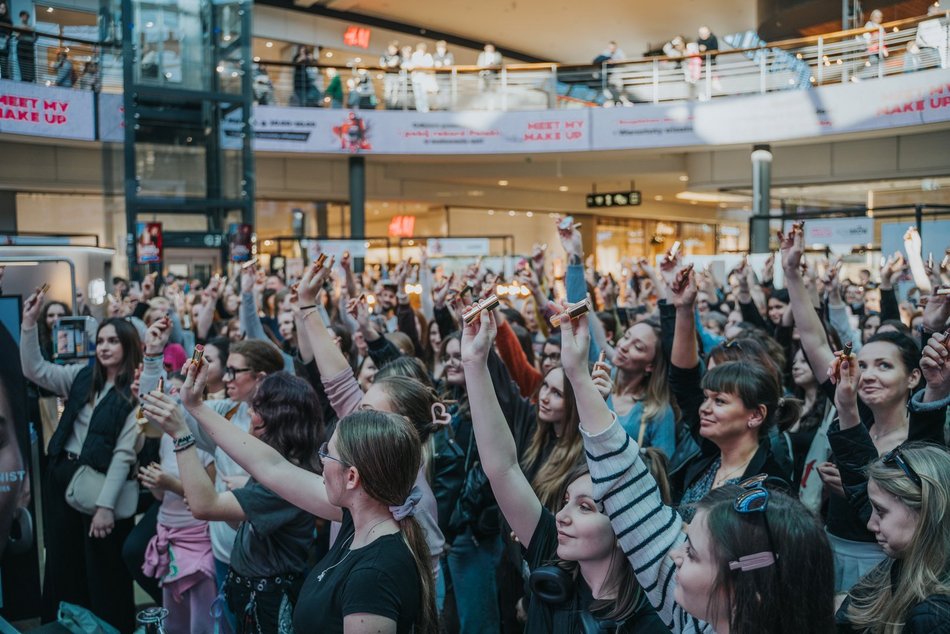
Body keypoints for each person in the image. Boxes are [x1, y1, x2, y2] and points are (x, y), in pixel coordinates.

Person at [559, 308, 837, 633]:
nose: (675, 554)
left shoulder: (767, 494)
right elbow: (627, 487)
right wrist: (578, 376)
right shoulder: (694, 616)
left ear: (746, 589)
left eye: (692, 552)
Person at [149, 356, 438, 633]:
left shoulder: (374, 575)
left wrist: (184, 434)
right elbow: (270, 466)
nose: (321, 462)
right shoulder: (362, 515)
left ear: (352, 478)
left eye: (328, 455)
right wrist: (195, 406)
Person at [460, 309, 668, 632]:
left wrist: (579, 377)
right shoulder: (551, 550)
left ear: (627, 523)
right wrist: (474, 364)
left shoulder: (653, 621)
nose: (561, 515)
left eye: (585, 506)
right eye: (567, 500)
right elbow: (502, 467)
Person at [781, 228, 947, 593]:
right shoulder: (850, 403)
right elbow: (813, 338)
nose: (869, 375)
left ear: (913, 377)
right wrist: (792, 273)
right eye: (864, 365)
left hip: (882, 563)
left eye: (884, 366)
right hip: (830, 546)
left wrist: (859, 490)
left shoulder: (921, 437)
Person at [143, 371, 324, 633]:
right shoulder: (276, 463)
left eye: (256, 408)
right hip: (251, 593)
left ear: (277, 418)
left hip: (270, 603)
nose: (248, 414)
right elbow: (239, 524)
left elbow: (204, 507)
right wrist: (239, 502)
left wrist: (181, 434)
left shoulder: (285, 478)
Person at [20, 288, 140, 632]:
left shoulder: (134, 391)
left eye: (113, 341)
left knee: (103, 571)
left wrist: (105, 506)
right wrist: (29, 323)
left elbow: (123, 456)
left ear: (127, 346)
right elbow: (35, 370)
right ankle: (68, 626)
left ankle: (106, 627)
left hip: (102, 489)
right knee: (62, 563)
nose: (104, 347)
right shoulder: (82, 377)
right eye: (100, 340)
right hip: (63, 477)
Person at [667, 268, 796, 516]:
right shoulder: (711, 457)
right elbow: (682, 381)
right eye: (706, 397)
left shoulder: (768, 490)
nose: (704, 408)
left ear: (756, 415)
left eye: (720, 401)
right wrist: (684, 309)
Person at [836, 443, 950, 633]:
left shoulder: (935, 619)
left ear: (926, 514)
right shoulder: (892, 567)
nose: (870, 524)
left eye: (880, 511)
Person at [16, 10, 34, 83]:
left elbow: (34, 38)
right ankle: (24, 79)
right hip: (21, 47)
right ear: (21, 17)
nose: (24, 17)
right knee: (22, 65)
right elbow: (16, 36)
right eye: (23, 16)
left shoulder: (31, 28)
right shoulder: (18, 26)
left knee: (29, 66)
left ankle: (29, 80)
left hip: (29, 48)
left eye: (26, 16)